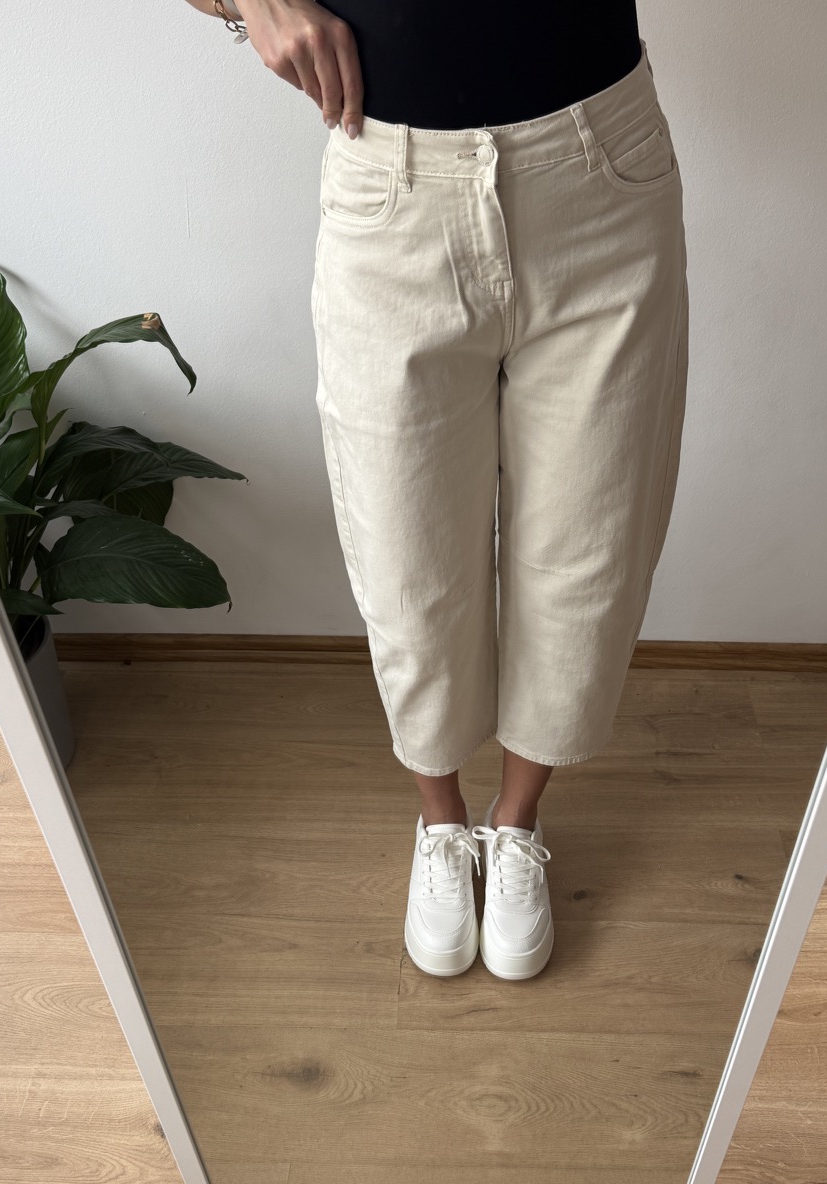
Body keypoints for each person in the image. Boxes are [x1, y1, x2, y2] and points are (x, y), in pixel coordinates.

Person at [186, 0, 688, 981]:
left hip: (600, 173)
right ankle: (441, 823)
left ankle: (516, 821)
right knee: (407, 560)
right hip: (391, 187)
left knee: (588, 547)